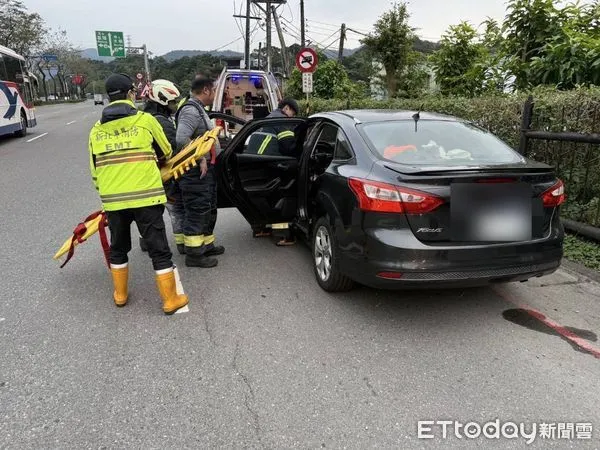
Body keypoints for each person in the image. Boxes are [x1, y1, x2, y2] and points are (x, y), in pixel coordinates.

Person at [89, 73, 188, 315]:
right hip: (146, 197)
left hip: (114, 201)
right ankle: (169, 300)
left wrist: (108, 194)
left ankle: (120, 295)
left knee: (118, 247)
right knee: (158, 249)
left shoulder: (95, 131)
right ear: (131, 93)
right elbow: (166, 151)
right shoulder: (145, 120)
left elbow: (94, 172)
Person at [174, 76, 224, 268]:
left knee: (207, 208)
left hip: (204, 173)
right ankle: (194, 255)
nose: (214, 94)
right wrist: (200, 158)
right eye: (214, 90)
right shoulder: (190, 111)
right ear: (206, 90)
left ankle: (206, 245)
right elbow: (181, 139)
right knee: (197, 211)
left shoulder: (198, 109)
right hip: (195, 173)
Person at [138, 79, 186, 255]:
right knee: (176, 208)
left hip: (146, 174)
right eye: (172, 102)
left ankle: (146, 241)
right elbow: (172, 149)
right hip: (164, 174)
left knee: (150, 212)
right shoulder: (163, 122)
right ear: (162, 100)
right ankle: (182, 244)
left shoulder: (144, 118)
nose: (173, 106)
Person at [251, 98, 300, 245]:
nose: (292, 117)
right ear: (286, 108)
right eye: (293, 113)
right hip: (267, 162)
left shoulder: (268, 118)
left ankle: (260, 228)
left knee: (261, 197)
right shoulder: (281, 120)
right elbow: (288, 146)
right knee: (280, 195)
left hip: (252, 162)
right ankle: (281, 235)